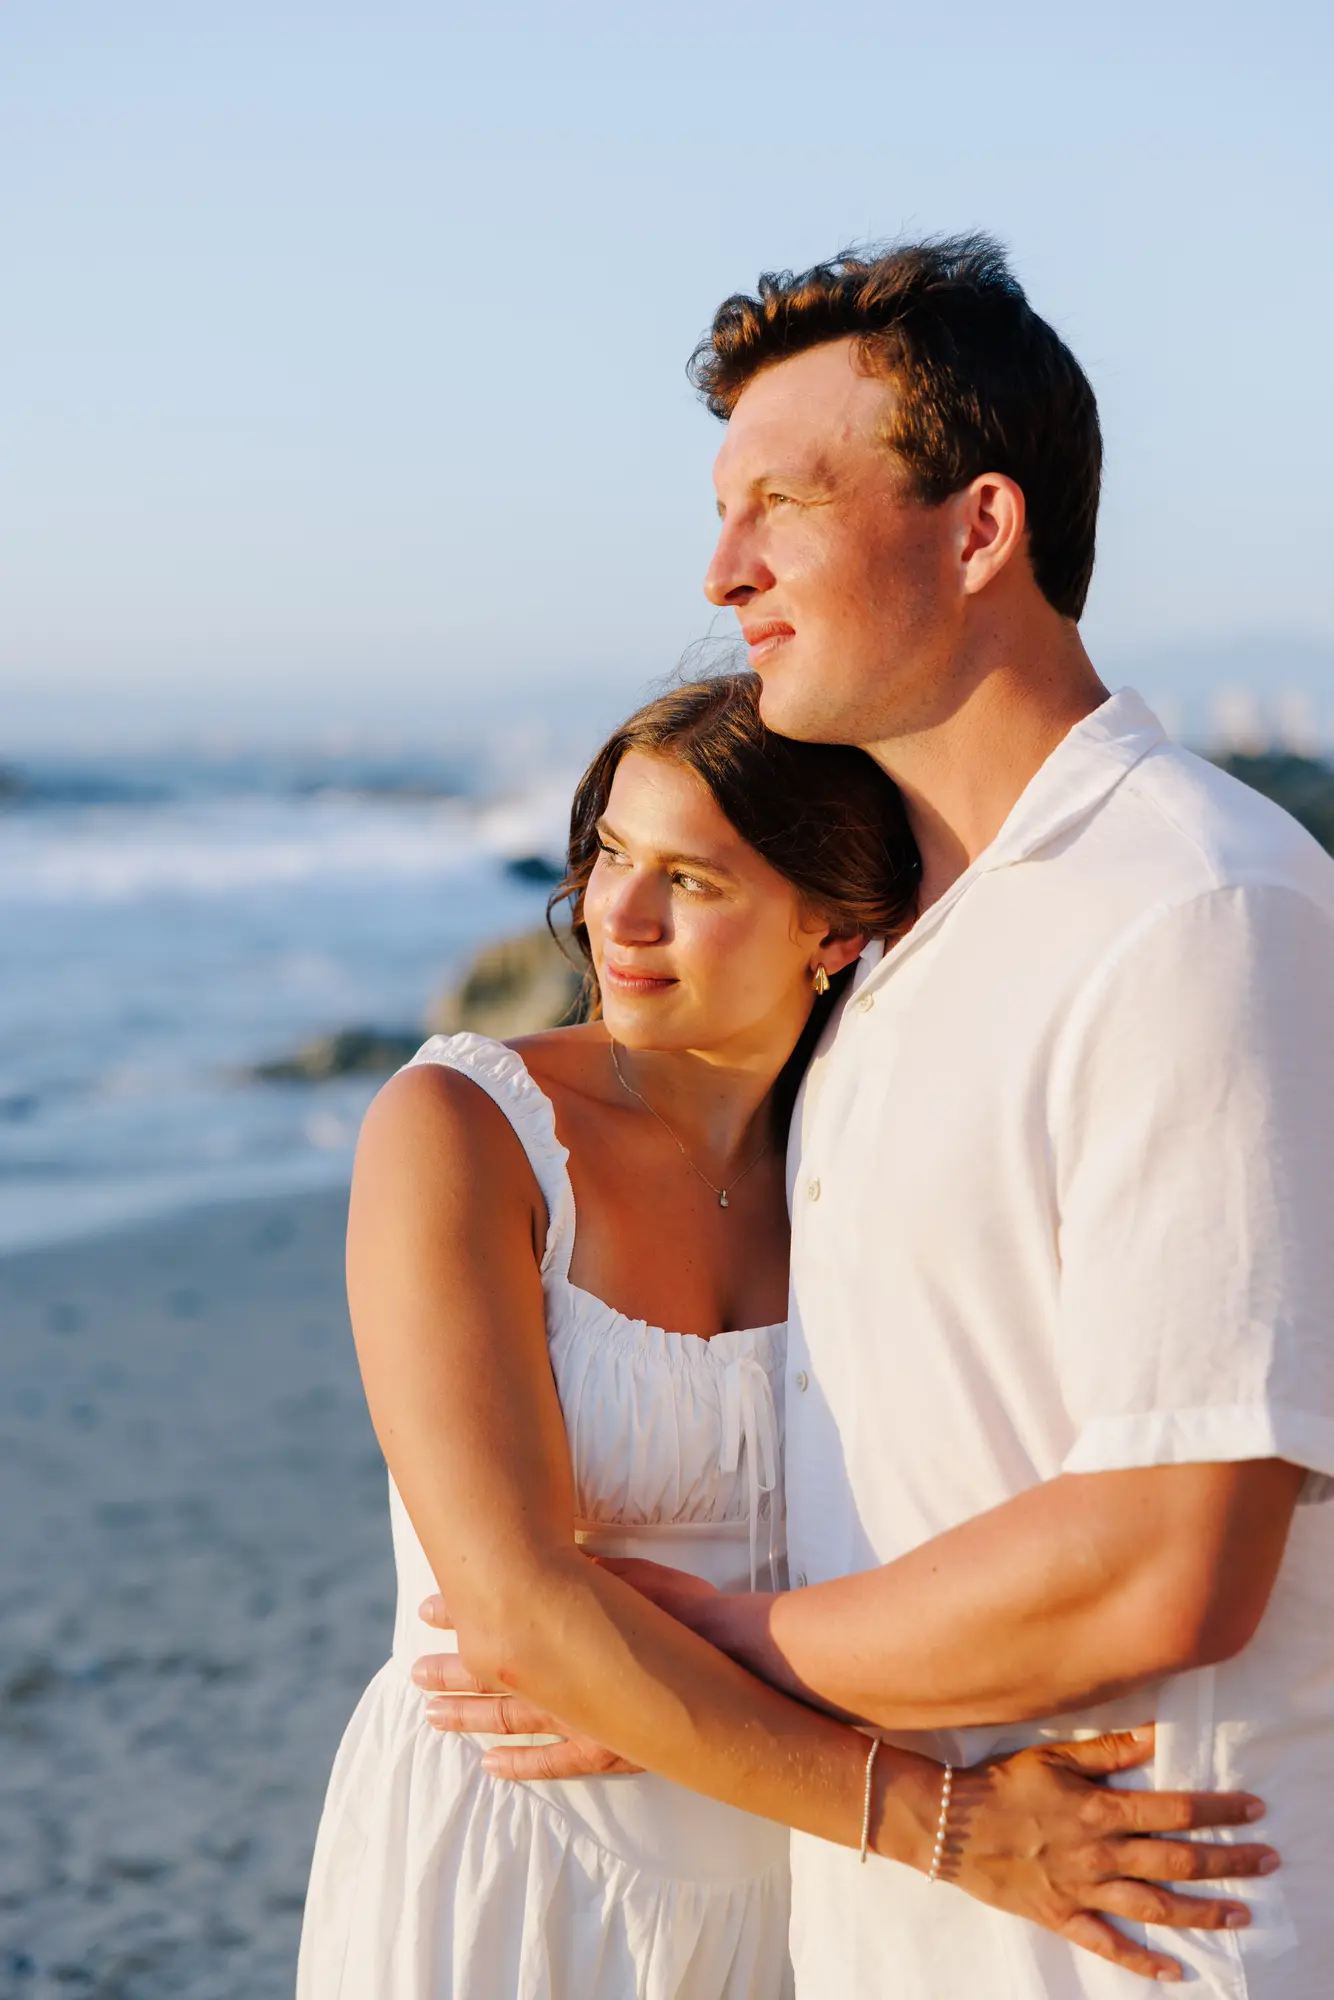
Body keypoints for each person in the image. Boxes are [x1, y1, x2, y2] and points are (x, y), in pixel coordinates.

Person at [420, 238, 1334, 1996]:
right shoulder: (884, 950)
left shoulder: (1193, 906)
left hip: (1149, 1936)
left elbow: (1167, 1562)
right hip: (896, 1935)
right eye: (720, 511)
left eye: (782, 503)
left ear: (977, 529)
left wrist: (714, 1657)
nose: (723, 570)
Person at [297, 676, 1275, 1998]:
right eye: (611, 855)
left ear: (832, 926)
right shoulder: (463, 1132)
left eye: (692, 881)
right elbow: (517, 1614)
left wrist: (686, 1686)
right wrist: (950, 1826)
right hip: (525, 1862)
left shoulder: (861, 1161)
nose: (619, 916)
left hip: (797, 1884)